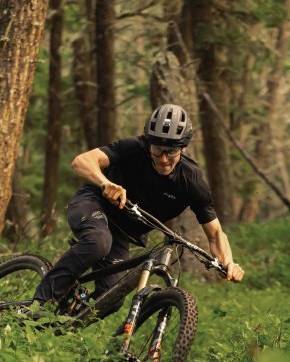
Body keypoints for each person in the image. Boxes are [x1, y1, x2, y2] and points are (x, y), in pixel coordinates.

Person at [32, 103, 245, 310]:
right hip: (93, 204)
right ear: (149, 142)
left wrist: (228, 262)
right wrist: (105, 183)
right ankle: (36, 307)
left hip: (121, 234)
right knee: (98, 241)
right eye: (157, 149)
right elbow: (82, 161)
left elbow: (215, 234)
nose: (163, 159)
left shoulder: (192, 182)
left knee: (112, 298)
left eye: (171, 151)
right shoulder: (134, 148)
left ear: (183, 148)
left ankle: (60, 326)